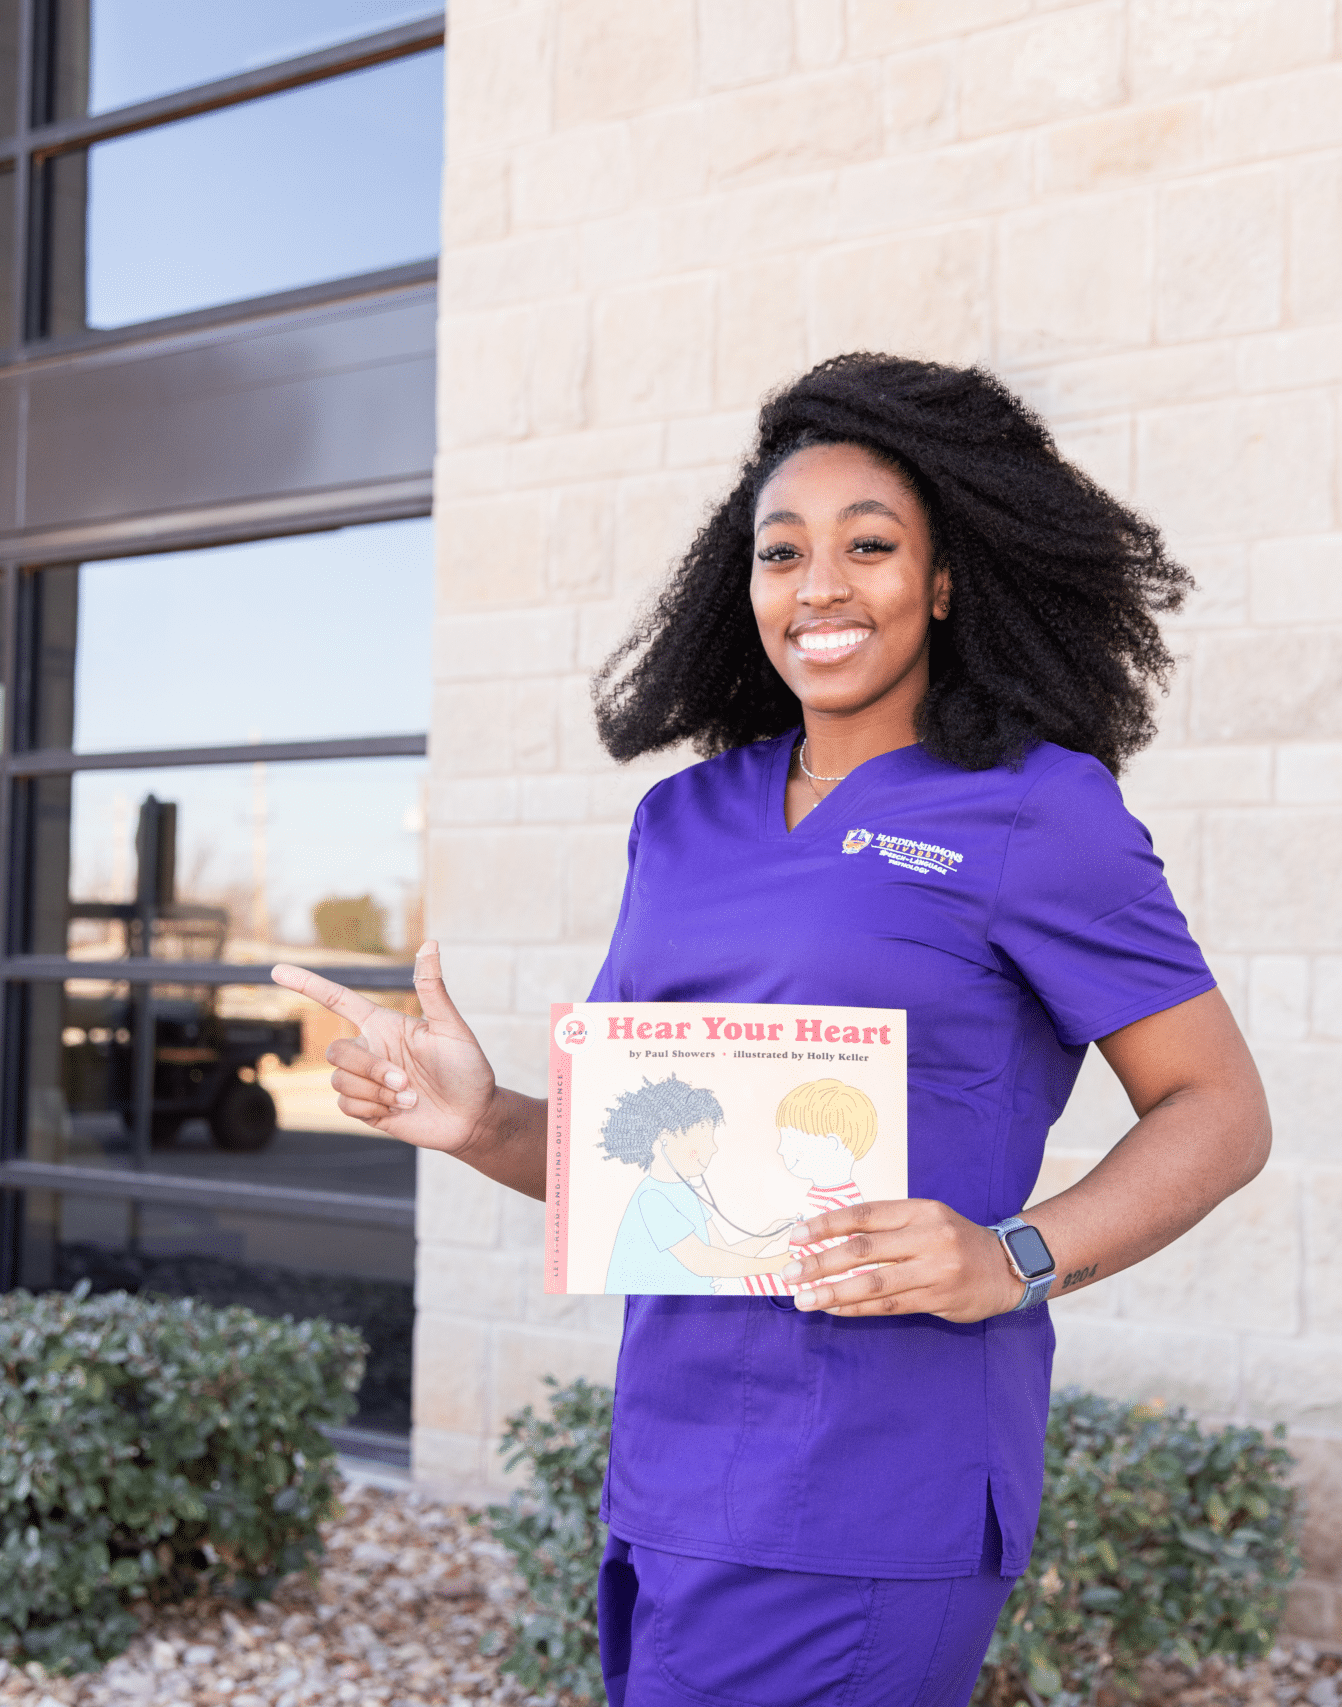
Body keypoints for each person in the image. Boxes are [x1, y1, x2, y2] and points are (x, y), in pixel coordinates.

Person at [273, 353, 1272, 1707]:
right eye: (781, 550)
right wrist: (481, 1117)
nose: (819, 587)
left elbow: (1218, 1107)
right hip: (674, 1466)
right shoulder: (682, 823)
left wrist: (1017, 1253)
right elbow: (648, 1158)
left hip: (878, 1475)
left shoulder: (1038, 811)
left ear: (945, 579)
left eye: (870, 545)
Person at [595, 1074, 787, 1293]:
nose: (713, 1147)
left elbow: (723, 1252)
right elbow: (702, 1262)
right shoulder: (651, 1199)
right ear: (664, 1139)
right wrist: (773, 1265)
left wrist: (770, 1235)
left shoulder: (684, 1193)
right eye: (704, 1138)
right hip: (666, 1313)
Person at [735, 1078, 879, 1297]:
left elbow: (805, 1272)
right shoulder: (820, 1196)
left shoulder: (840, 1205)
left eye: (791, 1139)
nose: (781, 1149)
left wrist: (744, 1284)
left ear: (831, 1144)